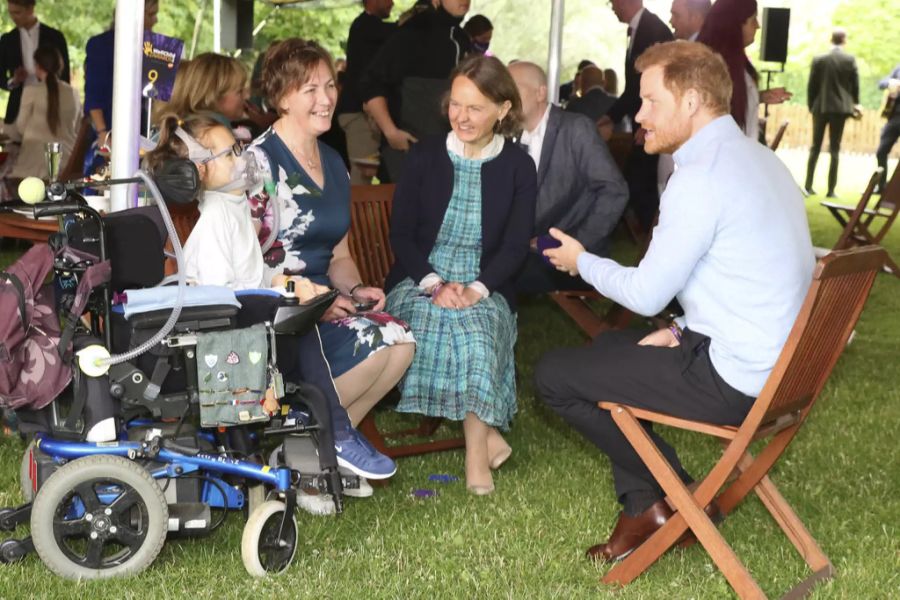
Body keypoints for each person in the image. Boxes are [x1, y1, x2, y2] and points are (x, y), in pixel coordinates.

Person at [535, 41, 815, 562]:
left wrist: (581, 261)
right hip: (782, 371)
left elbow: (645, 294)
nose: (638, 116)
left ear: (690, 102)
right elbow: (742, 276)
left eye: (650, 101)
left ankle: (678, 499)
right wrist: (683, 329)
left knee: (554, 375)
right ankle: (648, 505)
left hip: (737, 378)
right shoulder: (760, 160)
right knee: (615, 352)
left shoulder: (700, 177)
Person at [144, 113, 398, 513]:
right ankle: (332, 435)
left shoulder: (234, 210)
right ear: (201, 170)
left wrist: (287, 282)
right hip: (224, 345)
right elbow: (221, 296)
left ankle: (325, 439)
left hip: (246, 333)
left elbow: (253, 272)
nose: (243, 158)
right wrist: (278, 293)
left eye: (240, 147)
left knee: (303, 317)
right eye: (230, 153)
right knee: (302, 329)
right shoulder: (213, 223)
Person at [248, 39, 416, 441]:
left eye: (330, 86)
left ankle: (324, 452)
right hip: (280, 316)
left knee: (401, 342)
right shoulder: (258, 165)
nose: (326, 99)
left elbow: (340, 254)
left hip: (327, 305)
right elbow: (247, 266)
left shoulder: (335, 163)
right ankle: (303, 443)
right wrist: (311, 302)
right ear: (282, 98)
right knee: (382, 343)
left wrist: (357, 289)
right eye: (311, 90)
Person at [384, 55, 536, 495]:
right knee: (431, 322)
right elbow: (402, 235)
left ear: (503, 110)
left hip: (486, 282)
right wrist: (433, 284)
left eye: (475, 108)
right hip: (421, 279)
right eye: (456, 104)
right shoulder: (425, 156)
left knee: (474, 330)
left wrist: (477, 289)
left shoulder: (519, 167)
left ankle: (474, 452)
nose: (462, 117)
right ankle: (485, 439)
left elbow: (514, 247)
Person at [509, 61, 627, 294]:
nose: (505, 96)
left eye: (513, 88)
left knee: (495, 275)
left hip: (571, 255)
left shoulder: (575, 128)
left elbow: (614, 191)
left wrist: (574, 245)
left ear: (541, 93)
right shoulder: (511, 137)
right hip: (527, 248)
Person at [359, 0, 471, 182]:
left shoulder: (462, 38)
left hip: (450, 154)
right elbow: (371, 82)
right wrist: (391, 132)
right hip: (410, 152)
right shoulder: (413, 32)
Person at [600, 0, 673, 232]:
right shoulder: (641, 28)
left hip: (652, 126)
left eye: (613, 2)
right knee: (639, 182)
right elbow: (633, 88)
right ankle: (651, 238)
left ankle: (654, 238)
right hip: (644, 124)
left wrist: (649, 121)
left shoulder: (654, 29)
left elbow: (654, 85)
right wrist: (612, 116)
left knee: (639, 183)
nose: (611, 6)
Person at [696, 0, 791, 142]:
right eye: (753, 20)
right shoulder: (710, 69)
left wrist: (758, 97)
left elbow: (729, 102)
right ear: (735, 25)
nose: (758, 26)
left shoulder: (734, 63)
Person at [82, 0, 159, 175]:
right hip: (110, 129)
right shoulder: (101, 45)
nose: (155, 20)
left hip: (145, 131)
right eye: (151, 14)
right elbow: (93, 93)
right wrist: (103, 134)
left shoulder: (153, 46)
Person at [336, 0, 397, 185]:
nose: (392, 3)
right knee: (363, 175)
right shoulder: (365, 26)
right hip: (358, 111)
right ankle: (356, 214)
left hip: (362, 110)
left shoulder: (368, 28)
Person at [8, 46, 80, 181]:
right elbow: (77, 128)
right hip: (66, 165)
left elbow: (21, 128)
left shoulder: (31, 91)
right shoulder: (73, 93)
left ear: (38, 66)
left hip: (33, 167)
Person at [804, 29, 860, 198]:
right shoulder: (849, 60)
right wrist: (855, 103)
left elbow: (811, 85)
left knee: (815, 146)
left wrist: (811, 105)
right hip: (840, 109)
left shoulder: (819, 59)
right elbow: (854, 85)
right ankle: (831, 190)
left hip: (820, 107)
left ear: (831, 39)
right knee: (835, 148)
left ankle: (808, 186)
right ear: (844, 40)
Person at [0, 0, 69, 127]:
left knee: (48, 145)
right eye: (10, 13)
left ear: (30, 9)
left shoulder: (55, 37)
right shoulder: (7, 40)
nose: (13, 17)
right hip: (18, 107)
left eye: (17, 13)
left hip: (50, 105)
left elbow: (65, 76)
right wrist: (14, 81)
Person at [152, 52, 249, 130]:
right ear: (214, 96)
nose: (246, 96)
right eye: (239, 91)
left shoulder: (179, 127)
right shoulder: (214, 129)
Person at [875, 63, 900, 195]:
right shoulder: (898, 68)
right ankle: (881, 186)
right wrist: (891, 82)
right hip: (894, 117)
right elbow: (882, 83)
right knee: (881, 151)